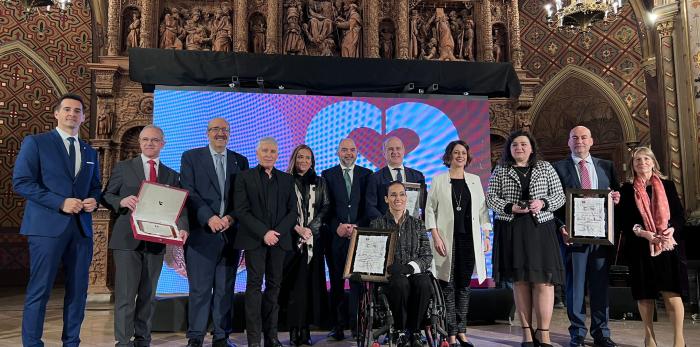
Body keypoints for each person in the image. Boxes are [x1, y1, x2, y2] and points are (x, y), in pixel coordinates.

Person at [13, 93, 101, 347]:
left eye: (77, 111)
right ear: (56, 114)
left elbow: (95, 187)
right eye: (67, 110)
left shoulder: (89, 151)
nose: (72, 114)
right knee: (40, 289)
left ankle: (71, 341)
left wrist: (94, 200)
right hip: (46, 227)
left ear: (84, 117)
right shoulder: (37, 143)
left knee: (78, 290)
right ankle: (32, 343)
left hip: (81, 230)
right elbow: (22, 182)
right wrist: (60, 202)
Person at [102, 125, 189, 347]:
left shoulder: (171, 174)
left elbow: (179, 207)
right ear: (140, 143)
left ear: (163, 144)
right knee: (125, 295)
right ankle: (123, 341)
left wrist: (183, 226)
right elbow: (107, 195)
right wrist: (121, 201)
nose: (149, 143)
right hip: (127, 241)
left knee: (148, 295)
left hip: (157, 242)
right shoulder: (124, 167)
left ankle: (143, 340)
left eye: (155, 140)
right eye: (145, 140)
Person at [486, 130, 565, 347]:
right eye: (514, 145)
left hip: (541, 228)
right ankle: (527, 334)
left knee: (544, 281)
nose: (519, 148)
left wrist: (543, 203)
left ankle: (544, 333)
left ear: (531, 147)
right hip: (512, 229)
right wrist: (509, 207)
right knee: (520, 282)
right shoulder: (501, 169)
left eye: (523, 144)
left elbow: (559, 195)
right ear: (509, 149)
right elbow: (491, 198)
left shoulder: (546, 167)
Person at [180, 118, 249, 347]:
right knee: (199, 290)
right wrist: (208, 217)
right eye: (216, 129)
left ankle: (221, 336)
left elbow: (243, 198)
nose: (221, 133)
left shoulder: (241, 161)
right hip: (201, 234)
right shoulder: (191, 157)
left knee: (225, 289)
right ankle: (196, 337)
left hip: (230, 236)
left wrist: (230, 217)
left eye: (225, 130)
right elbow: (189, 191)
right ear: (207, 132)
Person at [553, 126, 620, 347]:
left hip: (601, 239)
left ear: (592, 141)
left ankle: (602, 333)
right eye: (575, 138)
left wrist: (616, 199)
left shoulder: (607, 167)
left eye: (583, 137)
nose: (579, 141)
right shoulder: (558, 168)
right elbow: (554, 205)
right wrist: (562, 227)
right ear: (568, 142)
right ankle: (578, 333)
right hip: (573, 239)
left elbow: (615, 197)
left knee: (600, 287)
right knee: (575, 288)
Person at [616, 146, 686, 347]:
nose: (642, 163)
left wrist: (671, 229)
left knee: (671, 294)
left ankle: (679, 340)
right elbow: (624, 221)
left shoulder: (668, 185)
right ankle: (649, 338)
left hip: (666, 247)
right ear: (633, 166)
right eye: (638, 160)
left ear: (653, 162)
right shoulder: (627, 189)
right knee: (644, 295)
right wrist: (642, 232)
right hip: (640, 248)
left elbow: (679, 216)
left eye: (646, 159)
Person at [425, 140, 492, 347]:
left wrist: (487, 235)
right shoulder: (438, 180)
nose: (460, 156)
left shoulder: (474, 180)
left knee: (464, 286)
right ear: (449, 156)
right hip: (446, 240)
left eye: (463, 152)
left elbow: (482, 211)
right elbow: (429, 210)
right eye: (456, 152)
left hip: (468, 240)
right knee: (448, 285)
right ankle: (450, 333)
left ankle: (462, 331)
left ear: (467, 156)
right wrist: (435, 236)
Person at [234, 137, 297, 347]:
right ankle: (253, 340)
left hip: (279, 241)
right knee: (253, 287)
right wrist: (264, 233)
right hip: (255, 240)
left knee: (274, 287)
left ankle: (271, 337)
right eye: (265, 151)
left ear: (278, 155)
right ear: (257, 153)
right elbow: (242, 211)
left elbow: (292, 212)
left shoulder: (287, 180)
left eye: (272, 151)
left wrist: (276, 233)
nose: (269, 154)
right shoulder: (244, 177)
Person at [371, 181, 433, 347]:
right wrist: (391, 268)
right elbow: (374, 257)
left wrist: (409, 268)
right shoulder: (377, 224)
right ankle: (400, 329)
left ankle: (414, 331)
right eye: (393, 194)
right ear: (386, 199)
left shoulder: (418, 224)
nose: (398, 198)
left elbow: (427, 256)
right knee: (400, 282)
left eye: (401, 194)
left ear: (406, 198)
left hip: (413, 272)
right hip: (391, 277)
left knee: (424, 282)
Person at [321, 138, 372, 340]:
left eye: (352, 150)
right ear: (337, 152)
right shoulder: (327, 175)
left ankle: (357, 326)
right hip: (336, 238)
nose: (348, 153)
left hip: (360, 238)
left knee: (358, 284)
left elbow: (369, 206)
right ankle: (338, 326)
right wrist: (337, 227)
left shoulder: (366, 175)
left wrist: (358, 226)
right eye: (344, 150)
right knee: (336, 283)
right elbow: (325, 207)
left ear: (357, 152)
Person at [280, 144, 330, 346]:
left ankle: (305, 330)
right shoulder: (284, 181)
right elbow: (281, 209)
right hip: (290, 243)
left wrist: (310, 229)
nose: (304, 161)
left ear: (312, 161)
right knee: (293, 288)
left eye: (308, 158)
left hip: (313, 242)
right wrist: (296, 229)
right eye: (300, 157)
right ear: (294, 158)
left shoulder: (320, 182)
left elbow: (325, 207)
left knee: (309, 287)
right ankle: (293, 330)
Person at [365, 136, 426, 221]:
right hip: (387, 229)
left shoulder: (417, 176)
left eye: (398, 148)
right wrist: (385, 223)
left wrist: (421, 223)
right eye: (390, 149)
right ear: (384, 153)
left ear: (403, 151)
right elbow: (370, 207)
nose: (395, 152)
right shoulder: (375, 178)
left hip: (413, 228)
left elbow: (425, 204)